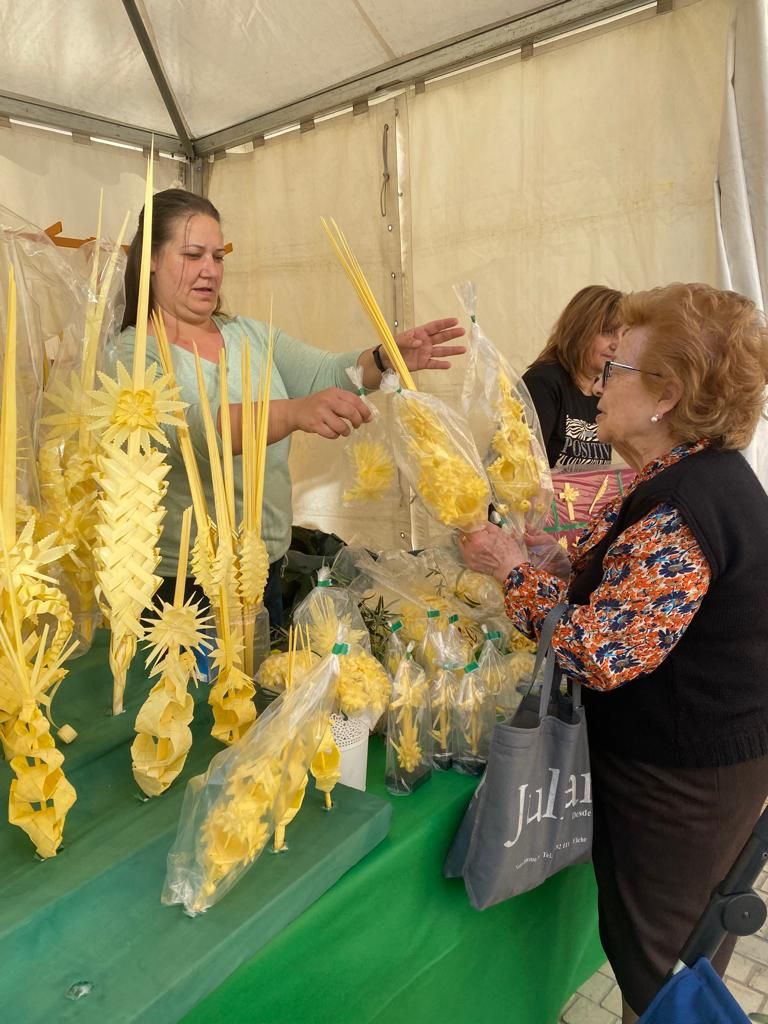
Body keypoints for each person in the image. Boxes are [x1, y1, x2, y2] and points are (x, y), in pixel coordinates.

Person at [459, 282, 768, 1023]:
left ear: (666, 393)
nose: (599, 378)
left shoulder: (688, 505)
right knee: (669, 956)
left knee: (664, 973)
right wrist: (557, 563)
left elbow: (600, 652)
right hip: (699, 758)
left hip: (686, 779)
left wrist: (508, 570)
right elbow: (629, 578)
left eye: (619, 365)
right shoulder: (683, 475)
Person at [115, 188, 465, 626]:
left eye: (218, 257)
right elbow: (193, 430)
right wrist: (291, 413)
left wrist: (383, 360)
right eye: (192, 255)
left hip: (264, 564)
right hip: (183, 583)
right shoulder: (132, 355)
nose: (209, 271)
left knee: (262, 690)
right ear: (149, 258)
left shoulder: (249, 336)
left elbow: (325, 374)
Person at [523, 285, 623, 469]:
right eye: (608, 332)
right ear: (580, 330)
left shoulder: (605, 391)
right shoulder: (542, 382)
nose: (617, 344)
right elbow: (523, 471)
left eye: (623, 334)